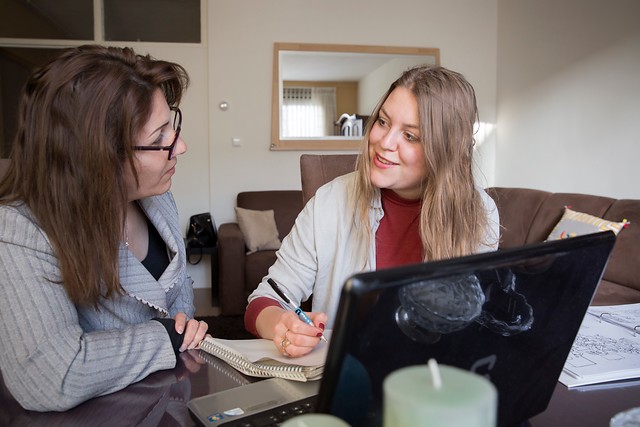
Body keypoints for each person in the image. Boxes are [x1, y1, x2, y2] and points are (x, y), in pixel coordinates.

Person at [0, 45, 208, 411]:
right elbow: (52, 375)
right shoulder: (22, 230)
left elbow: (178, 291)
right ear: (97, 155)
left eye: (171, 126)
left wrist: (180, 330)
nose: (181, 146)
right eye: (159, 138)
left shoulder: (157, 197)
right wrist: (165, 337)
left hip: (168, 402)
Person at [245, 65, 500, 358]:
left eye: (411, 136)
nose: (384, 142)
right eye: (382, 121)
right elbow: (264, 300)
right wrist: (282, 324)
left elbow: (475, 320)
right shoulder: (329, 202)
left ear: (446, 150)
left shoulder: (478, 213)